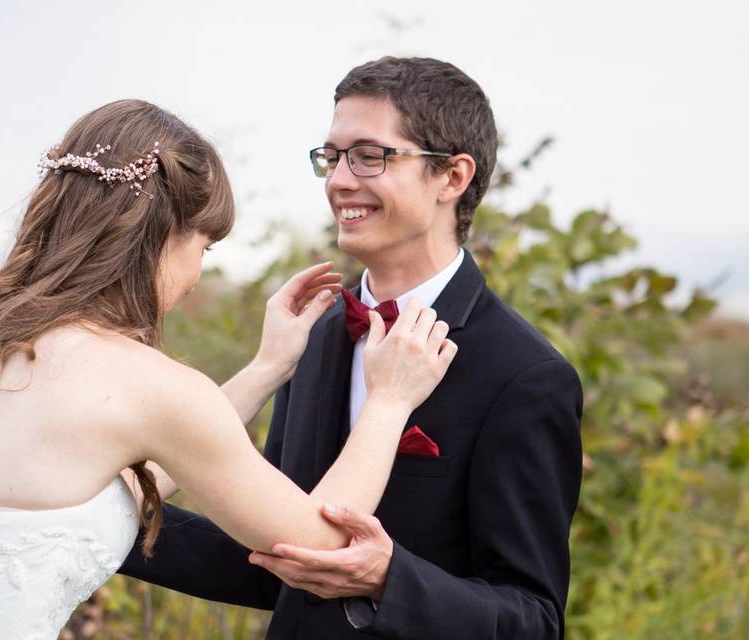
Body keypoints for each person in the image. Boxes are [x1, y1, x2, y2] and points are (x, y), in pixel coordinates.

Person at [0, 99, 459, 640]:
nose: (198, 271)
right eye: (203, 246)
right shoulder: (149, 386)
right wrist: (388, 403)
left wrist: (265, 368)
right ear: (165, 237)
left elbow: (100, 472)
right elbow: (321, 543)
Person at [119, 57, 584, 639]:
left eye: (370, 156)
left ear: (452, 177)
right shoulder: (314, 333)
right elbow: (278, 555)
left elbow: (534, 620)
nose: (339, 180)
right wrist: (104, 527)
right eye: (332, 157)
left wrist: (390, 578)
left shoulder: (525, 374)